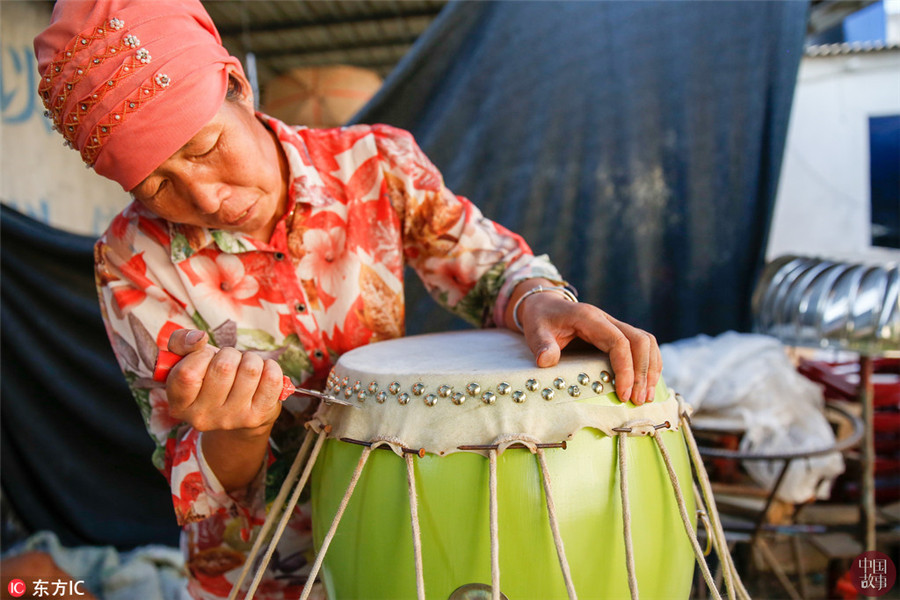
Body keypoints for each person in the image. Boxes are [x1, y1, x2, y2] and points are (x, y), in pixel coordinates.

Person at [35, 1, 661, 598]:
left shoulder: (377, 163)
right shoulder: (131, 259)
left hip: (406, 535)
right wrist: (241, 432)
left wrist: (538, 300)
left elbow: (491, 269)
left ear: (237, 84)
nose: (203, 199)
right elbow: (194, 483)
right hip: (259, 575)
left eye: (204, 148)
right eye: (156, 186)